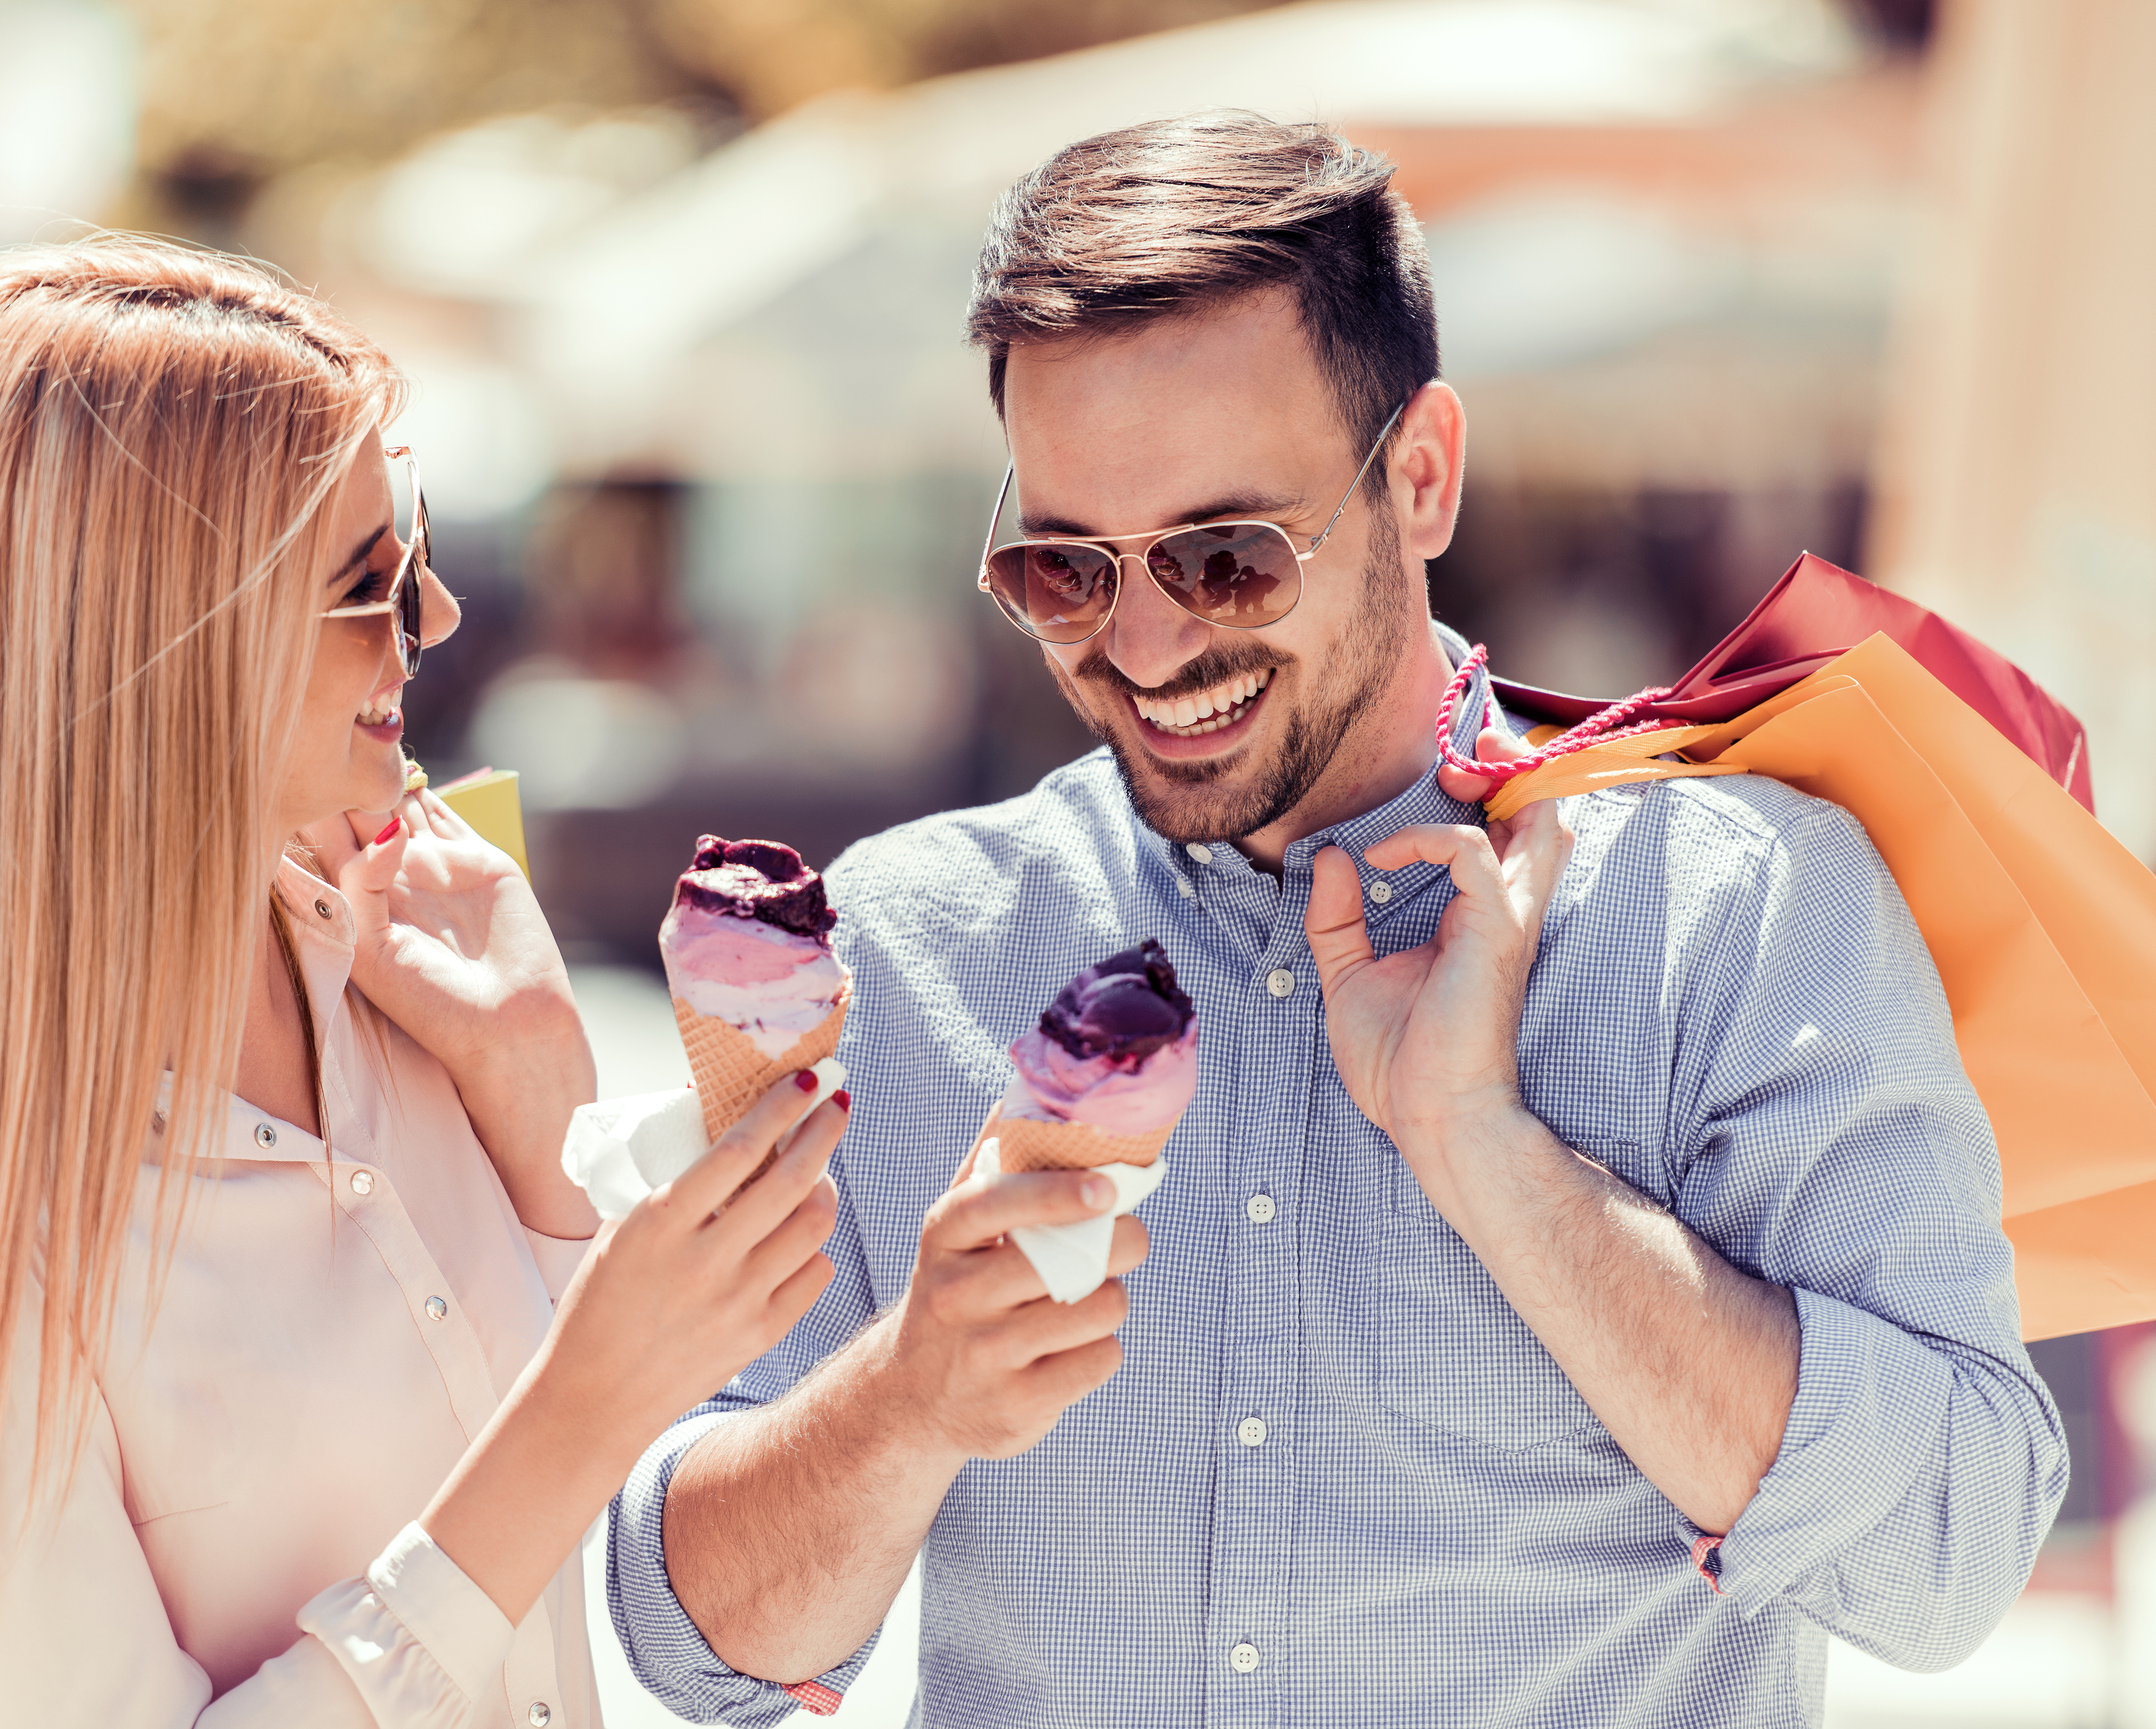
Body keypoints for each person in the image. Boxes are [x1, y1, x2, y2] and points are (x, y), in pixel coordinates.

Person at [606, 113, 2066, 1726]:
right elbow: (694, 1651)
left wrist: (1494, 1158)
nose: (1147, 647)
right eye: (1065, 571)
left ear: (1423, 475)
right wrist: (904, 1398)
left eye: (1226, 557)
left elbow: (1950, 1562)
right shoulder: (908, 944)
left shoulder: (1738, 911)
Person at [0, 237, 844, 1729]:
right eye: (366, 583)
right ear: (147, 647)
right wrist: (569, 1420)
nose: (437, 619)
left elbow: (620, 1588)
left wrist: (543, 1113)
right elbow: (557, 1450)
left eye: (418, 550)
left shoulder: (421, 950)